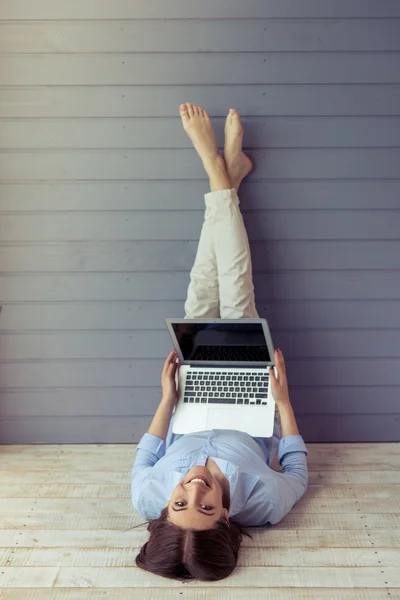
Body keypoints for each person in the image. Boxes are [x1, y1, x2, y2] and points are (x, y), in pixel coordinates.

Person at [131, 103, 308, 581]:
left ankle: (228, 175)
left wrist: (167, 398)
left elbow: (147, 453)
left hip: (191, 389)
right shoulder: (264, 504)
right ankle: (218, 169)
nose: (194, 485)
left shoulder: (145, 496)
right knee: (234, 284)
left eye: (180, 501)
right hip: (249, 385)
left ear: (164, 512)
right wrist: (283, 402)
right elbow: (296, 469)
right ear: (226, 518)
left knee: (203, 280)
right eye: (206, 506)